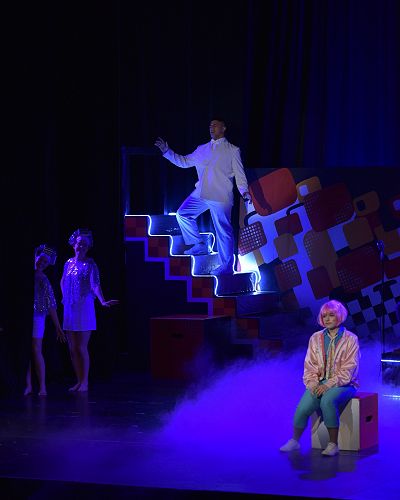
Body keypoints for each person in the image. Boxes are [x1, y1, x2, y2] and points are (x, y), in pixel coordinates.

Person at [155, 119, 252, 276]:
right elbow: (184, 162)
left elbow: (240, 174)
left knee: (223, 231)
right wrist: (167, 152)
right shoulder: (202, 149)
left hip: (221, 195)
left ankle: (226, 266)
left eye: (215, 125)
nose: (211, 127)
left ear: (223, 128)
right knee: (183, 214)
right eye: (210, 125)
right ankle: (198, 244)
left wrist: (244, 191)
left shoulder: (232, 150)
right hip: (201, 192)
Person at [280, 300, 360, 457]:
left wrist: (328, 385)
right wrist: (313, 384)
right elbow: (309, 365)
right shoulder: (315, 338)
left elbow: (349, 369)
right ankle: (295, 441)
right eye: (324, 316)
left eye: (331, 315)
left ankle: (333, 444)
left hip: (345, 384)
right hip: (320, 382)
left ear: (340, 316)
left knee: (327, 401)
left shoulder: (351, 339)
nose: (327, 319)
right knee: (303, 407)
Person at [61, 229, 118, 392]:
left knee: (81, 347)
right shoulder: (68, 263)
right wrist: (65, 297)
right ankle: (78, 380)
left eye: (85, 244)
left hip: (84, 307)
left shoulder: (91, 264)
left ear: (88, 247)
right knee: (72, 348)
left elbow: (95, 285)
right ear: (74, 244)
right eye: (79, 243)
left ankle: (85, 382)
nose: (81, 246)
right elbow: (62, 280)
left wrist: (102, 301)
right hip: (70, 307)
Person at [24, 245, 66, 396]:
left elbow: (51, 304)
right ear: (36, 257)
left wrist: (58, 327)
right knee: (25, 350)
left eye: (45, 262)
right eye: (40, 260)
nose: (41, 263)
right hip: (25, 317)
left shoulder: (43, 279)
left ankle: (42, 387)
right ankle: (28, 385)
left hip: (38, 317)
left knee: (36, 349)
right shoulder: (26, 276)